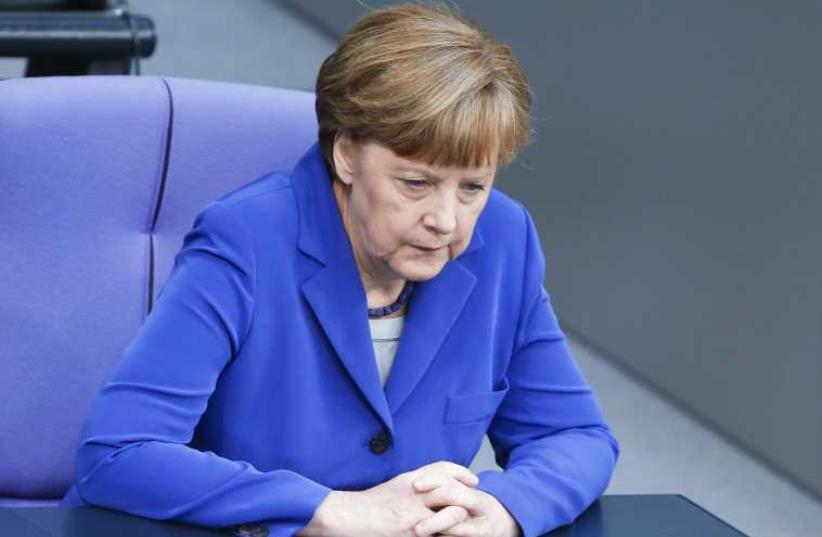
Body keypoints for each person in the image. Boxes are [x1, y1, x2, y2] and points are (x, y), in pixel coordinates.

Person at [61, 3, 619, 536]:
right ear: (346, 154)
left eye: (473, 187)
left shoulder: (503, 240)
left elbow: (574, 435)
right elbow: (119, 453)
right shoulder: (247, 240)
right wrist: (327, 509)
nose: (446, 221)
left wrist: (503, 506)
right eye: (416, 183)